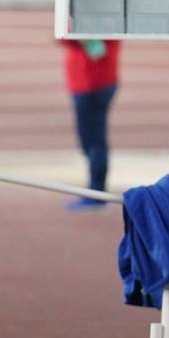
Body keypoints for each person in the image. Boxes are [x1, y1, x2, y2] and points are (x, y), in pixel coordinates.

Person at [63, 38, 119, 210]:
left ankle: (97, 192)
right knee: (90, 142)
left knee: (93, 142)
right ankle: (96, 191)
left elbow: (97, 49)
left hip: (92, 84)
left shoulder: (98, 19)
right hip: (89, 83)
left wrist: (75, 35)